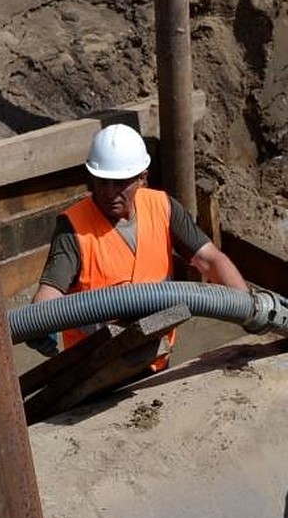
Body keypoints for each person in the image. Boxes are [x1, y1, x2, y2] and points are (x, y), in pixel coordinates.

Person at [28, 123, 248, 368]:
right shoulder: (73, 227)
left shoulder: (163, 207)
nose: (110, 193)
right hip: (94, 370)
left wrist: (248, 308)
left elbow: (210, 259)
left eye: (120, 183)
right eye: (103, 182)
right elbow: (51, 289)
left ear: (142, 178)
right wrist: (39, 319)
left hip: (156, 357)